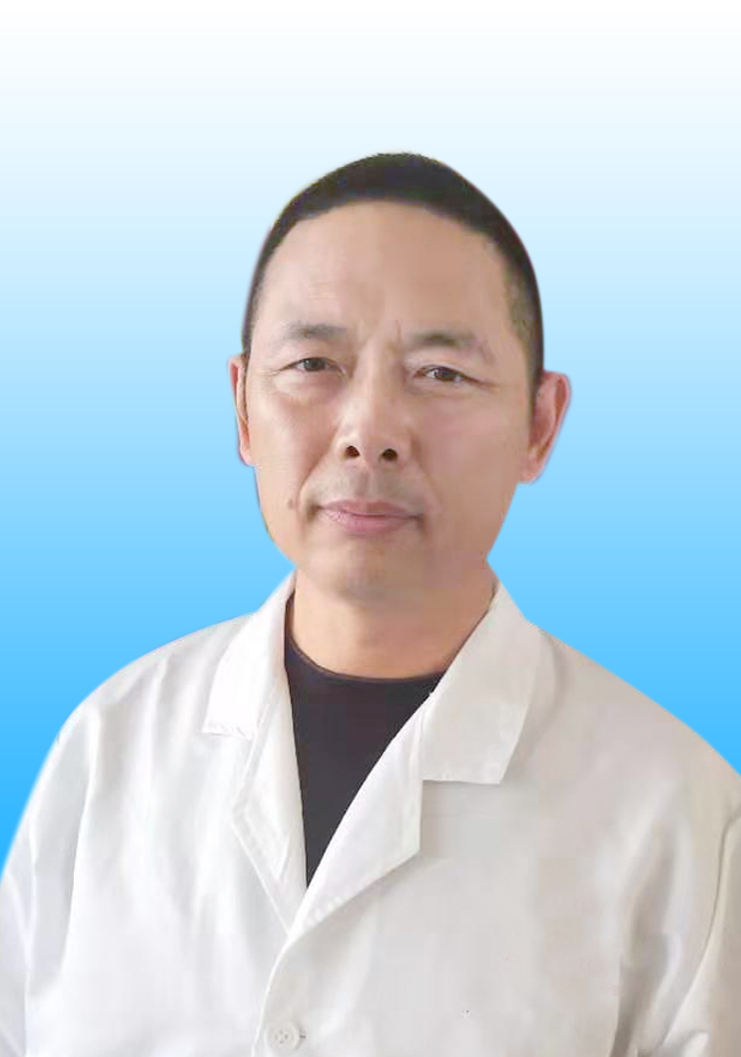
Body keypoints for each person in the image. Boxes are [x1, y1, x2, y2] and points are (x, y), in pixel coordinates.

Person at [1, 152, 739, 1057]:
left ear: (539, 425)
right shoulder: (107, 751)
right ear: (242, 408)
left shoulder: (679, 814)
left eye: (441, 373)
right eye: (314, 363)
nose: (369, 431)